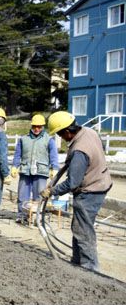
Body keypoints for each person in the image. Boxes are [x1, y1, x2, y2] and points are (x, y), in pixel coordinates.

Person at [41, 111, 112, 271]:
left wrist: (51, 191)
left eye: (60, 134)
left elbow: (73, 183)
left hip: (91, 190)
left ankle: (89, 268)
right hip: (100, 182)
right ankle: (78, 261)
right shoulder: (89, 132)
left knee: (83, 229)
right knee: (79, 225)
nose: (61, 137)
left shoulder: (79, 151)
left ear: (67, 131)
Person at [11, 114, 59, 225]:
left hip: (41, 171)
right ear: (31, 126)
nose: (37, 129)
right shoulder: (24, 139)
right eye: (35, 126)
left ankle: (38, 217)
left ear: (43, 127)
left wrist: (54, 168)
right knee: (23, 196)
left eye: (39, 127)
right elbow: (18, 154)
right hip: (25, 170)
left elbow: (53, 155)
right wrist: (14, 166)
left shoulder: (49, 140)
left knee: (40, 196)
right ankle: (22, 216)